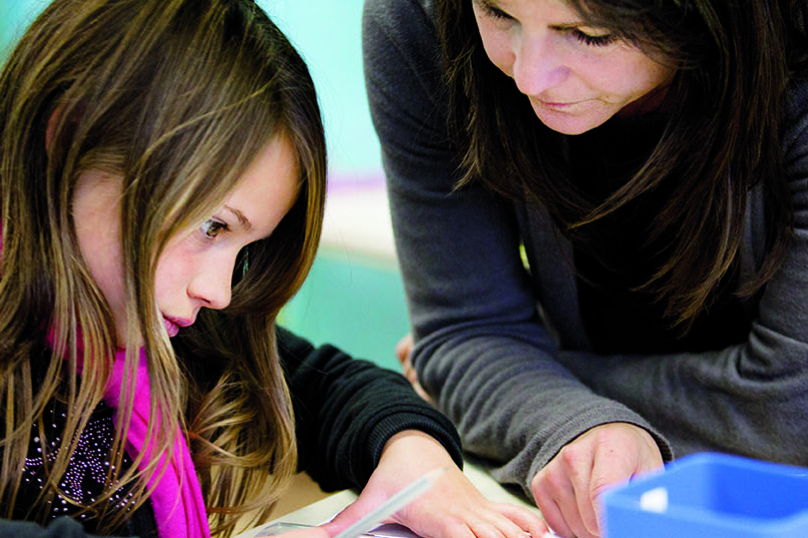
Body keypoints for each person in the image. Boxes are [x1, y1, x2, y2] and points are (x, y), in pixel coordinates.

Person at [0, 1, 550, 537]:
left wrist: (414, 455)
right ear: (68, 138)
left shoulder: (161, 334)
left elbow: (332, 389)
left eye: (244, 247)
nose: (218, 291)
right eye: (212, 227)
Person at [362, 0, 808, 537]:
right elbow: (465, 335)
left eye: (587, 33)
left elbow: (794, 410)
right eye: (496, 13)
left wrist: (510, 368)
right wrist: (558, 413)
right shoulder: (419, 18)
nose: (528, 78)